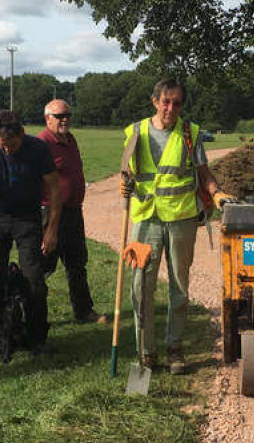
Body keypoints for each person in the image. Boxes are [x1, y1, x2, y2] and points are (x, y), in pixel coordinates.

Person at [121, 77, 233, 375]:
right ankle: (146, 353)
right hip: (145, 219)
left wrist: (216, 193)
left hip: (181, 220)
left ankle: (175, 349)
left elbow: (203, 172)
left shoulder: (190, 133)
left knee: (179, 287)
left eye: (177, 102)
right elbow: (128, 172)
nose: (171, 107)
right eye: (166, 101)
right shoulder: (135, 132)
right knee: (139, 286)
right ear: (155, 101)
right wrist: (124, 183)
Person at [0, 110, 61, 357]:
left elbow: (55, 189)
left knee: (35, 281)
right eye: (2, 145)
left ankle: (36, 336)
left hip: (28, 217)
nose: (6, 149)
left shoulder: (37, 149)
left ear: (22, 134)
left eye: (12, 144)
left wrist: (51, 229)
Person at [38, 99, 105, 324]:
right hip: (50, 213)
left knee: (77, 264)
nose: (65, 119)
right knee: (42, 266)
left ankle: (84, 311)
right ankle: (33, 314)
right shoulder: (41, 143)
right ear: (47, 118)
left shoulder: (71, 139)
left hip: (74, 213)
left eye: (68, 114)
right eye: (59, 116)